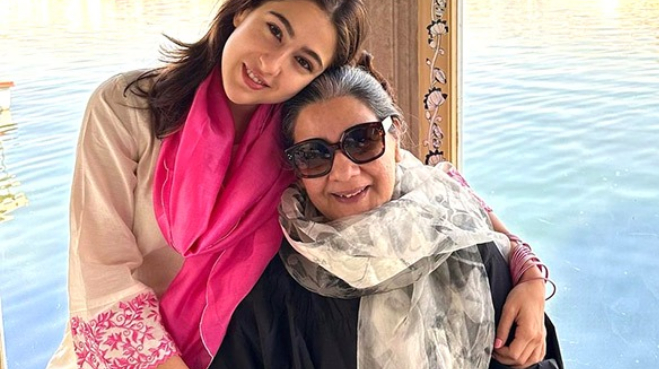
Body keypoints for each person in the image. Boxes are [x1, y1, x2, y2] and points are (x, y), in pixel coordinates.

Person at [46, 0, 369, 369]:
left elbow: (375, 193)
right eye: (274, 31)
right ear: (242, 11)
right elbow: (100, 277)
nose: (271, 65)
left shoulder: (300, 152)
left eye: (302, 62)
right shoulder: (125, 108)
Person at [211, 60, 563, 369]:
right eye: (314, 154)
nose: (344, 172)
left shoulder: (466, 244)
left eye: (362, 140)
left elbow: (527, 356)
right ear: (296, 171)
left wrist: (529, 274)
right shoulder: (271, 283)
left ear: (395, 138)